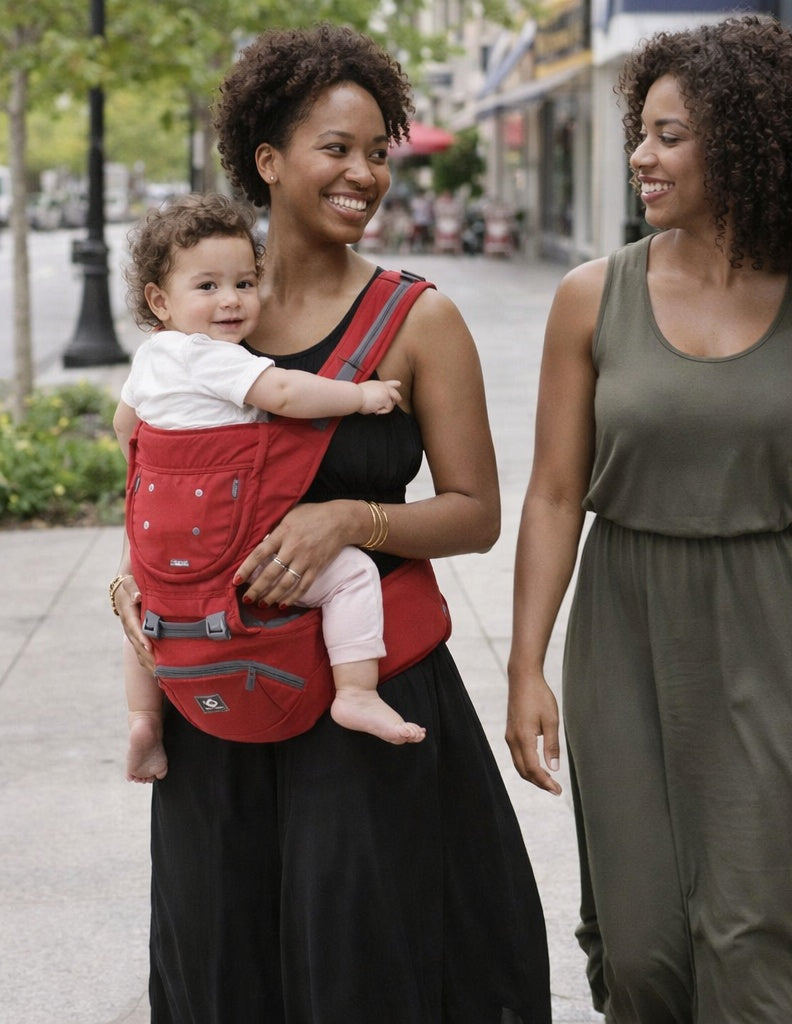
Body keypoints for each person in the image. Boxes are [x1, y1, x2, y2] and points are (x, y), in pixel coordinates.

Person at [110, 25, 551, 1022]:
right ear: (267, 160)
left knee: (364, 966)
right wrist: (135, 582)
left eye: (377, 153)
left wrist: (350, 520)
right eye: (337, 148)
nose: (365, 174)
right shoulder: (203, 315)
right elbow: (157, 478)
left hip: (364, 697)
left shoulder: (418, 319)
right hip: (217, 699)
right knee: (222, 962)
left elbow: (477, 514)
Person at [506, 16, 792, 1023]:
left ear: (744, 146)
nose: (641, 157)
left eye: (670, 136)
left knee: (749, 936)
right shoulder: (588, 298)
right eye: (641, 133)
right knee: (645, 947)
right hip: (624, 624)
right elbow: (555, 493)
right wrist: (526, 664)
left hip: (776, 624)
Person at [113, 192, 424, 784]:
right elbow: (283, 393)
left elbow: (126, 429)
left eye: (244, 283)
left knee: (148, 614)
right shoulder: (213, 357)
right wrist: (361, 396)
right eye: (207, 286)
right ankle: (356, 691)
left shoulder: (150, 359)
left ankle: (143, 718)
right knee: (351, 574)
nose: (231, 299)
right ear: (160, 301)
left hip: (164, 544)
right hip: (235, 538)